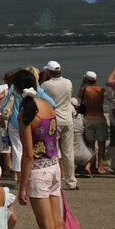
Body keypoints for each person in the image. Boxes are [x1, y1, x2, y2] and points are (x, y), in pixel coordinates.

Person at [14, 69, 65, 229]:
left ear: (17, 89)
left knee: (46, 228)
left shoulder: (26, 115)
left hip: (38, 171)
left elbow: (27, 155)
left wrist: (22, 187)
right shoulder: (48, 107)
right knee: (57, 224)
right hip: (53, 166)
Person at [39, 61, 76, 189]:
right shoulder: (68, 83)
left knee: (53, 151)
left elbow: (41, 96)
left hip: (54, 120)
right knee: (68, 152)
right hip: (68, 120)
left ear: (49, 72)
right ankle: (71, 180)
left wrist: (43, 79)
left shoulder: (46, 85)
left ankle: (55, 179)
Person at [77, 71, 108, 175]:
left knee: (90, 144)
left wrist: (83, 83)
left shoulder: (85, 90)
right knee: (101, 144)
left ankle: (91, 165)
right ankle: (100, 167)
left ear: (86, 80)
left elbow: (79, 95)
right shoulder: (101, 90)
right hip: (99, 117)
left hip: (88, 117)